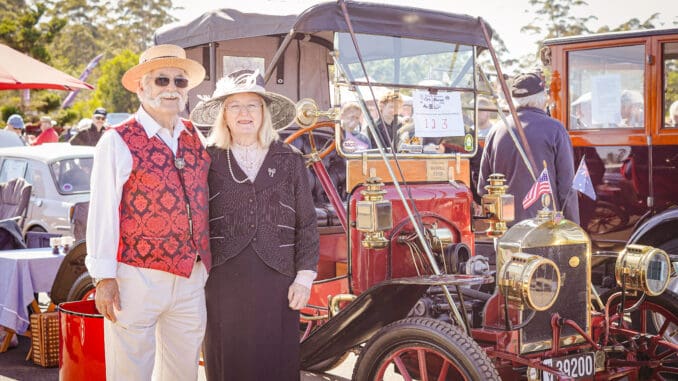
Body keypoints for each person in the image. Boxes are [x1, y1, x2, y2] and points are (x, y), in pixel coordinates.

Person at [85, 44, 210, 381]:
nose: (171, 89)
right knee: (130, 371)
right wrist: (104, 277)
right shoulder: (116, 141)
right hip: (135, 277)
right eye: (162, 81)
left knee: (183, 371)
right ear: (141, 87)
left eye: (179, 82)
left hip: (190, 277)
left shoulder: (194, 136)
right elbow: (102, 212)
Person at [190, 69, 319, 381]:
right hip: (223, 282)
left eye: (252, 105)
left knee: (275, 363)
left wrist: (304, 278)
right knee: (228, 362)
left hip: (279, 281)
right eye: (234, 106)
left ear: (265, 113)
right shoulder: (208, 159)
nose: (244, 113)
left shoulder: (289, 158)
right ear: (224, 114)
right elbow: (193, 219)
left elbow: (307, 222)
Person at [477, 72, 579, 224]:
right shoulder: (555, 129)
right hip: (543, 227)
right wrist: (573, 227)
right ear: (543, 98)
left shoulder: (496, 130)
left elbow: (483, 188)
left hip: (504, 227)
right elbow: (567, 187)